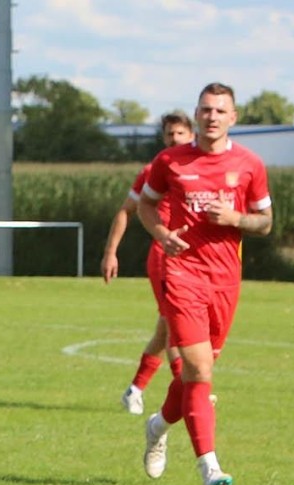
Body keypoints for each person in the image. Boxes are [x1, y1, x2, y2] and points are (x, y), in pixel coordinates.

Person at [136, 83, 271, 485]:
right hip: (182, 275)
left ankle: (158, 425)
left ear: (233, 117)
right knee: (198, 370)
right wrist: (161, 234)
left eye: (220, 110)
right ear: (196, 115)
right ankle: (209, 467)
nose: (212, 116)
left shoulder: (250, 164)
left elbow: (264, 223)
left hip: (225, 281)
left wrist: (235, 218)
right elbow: (144, 204)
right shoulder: (171, 161)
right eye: (205, 109)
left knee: (199, 373)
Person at [101, 112, 194, 415]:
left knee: (166, 329)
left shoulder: (202, 172)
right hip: (164, 257)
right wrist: (111, 252)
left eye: (180, 134)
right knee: (175, 326)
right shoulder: (154, 170)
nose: (174, 139)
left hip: (196, 259)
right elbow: (126, 210)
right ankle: (189, 388)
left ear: (191, 135)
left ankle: (135, 389)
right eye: (169, 134)